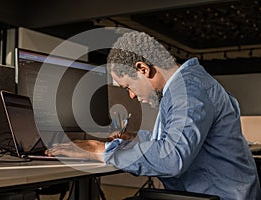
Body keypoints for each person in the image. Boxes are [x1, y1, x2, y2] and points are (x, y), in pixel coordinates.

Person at [46, 31, 261, 199]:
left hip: (220, 195)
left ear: (142, 68)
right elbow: (178, 140)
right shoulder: (184, 86)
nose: (131, 95)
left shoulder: (188, 90)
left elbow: (173, 159)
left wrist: (100, 150)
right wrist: (138, 138)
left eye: (128, 86)